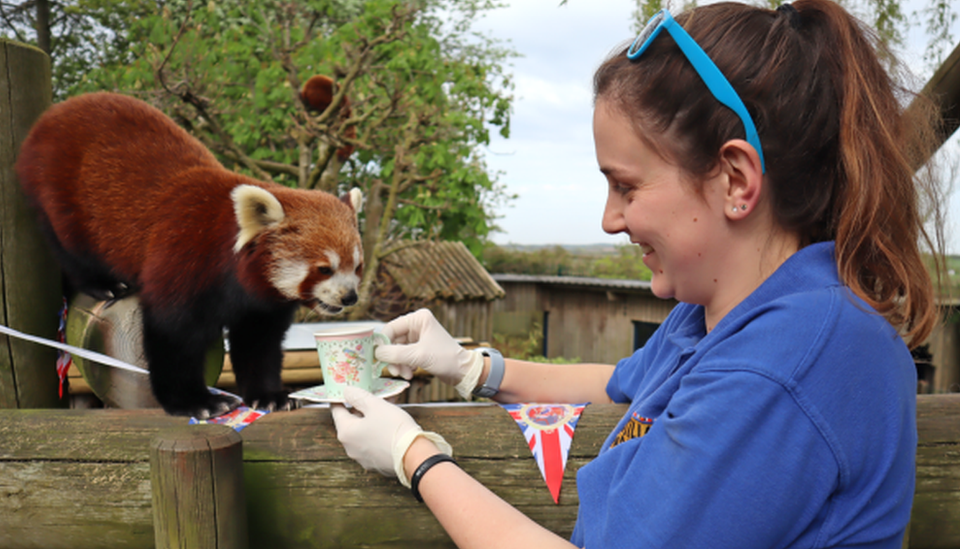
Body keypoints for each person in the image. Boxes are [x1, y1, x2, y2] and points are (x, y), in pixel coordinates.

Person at [330, 0, 944, 547]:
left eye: (626, 185)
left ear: (735, 181)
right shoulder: (721, 315)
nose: (608, 219)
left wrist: (415, 458)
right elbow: (623, 384)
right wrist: (473, 366)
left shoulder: (789, 361)